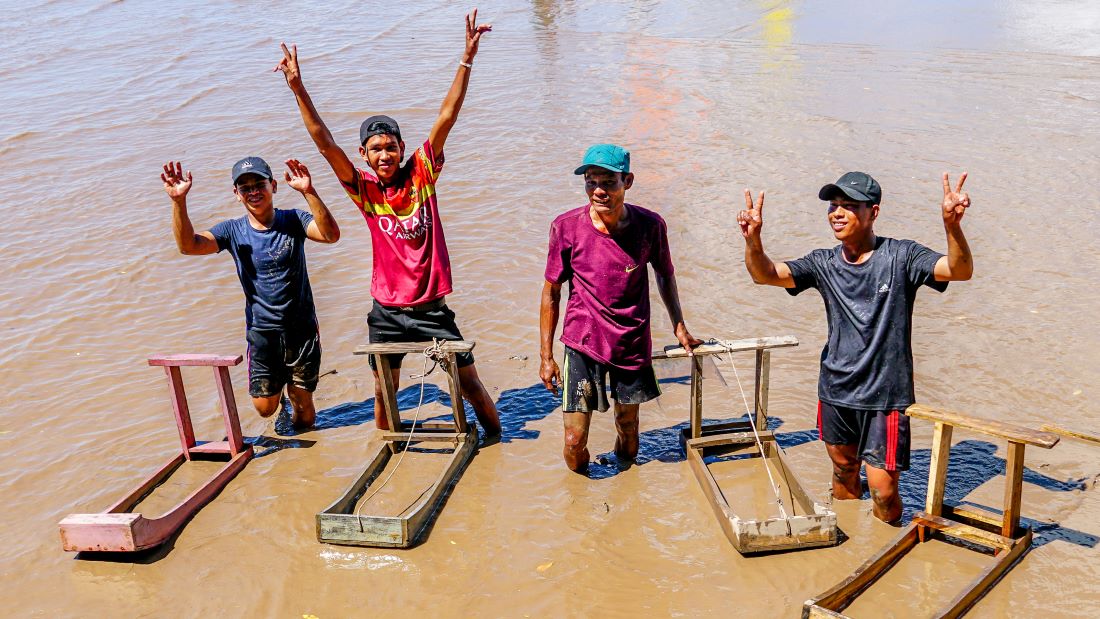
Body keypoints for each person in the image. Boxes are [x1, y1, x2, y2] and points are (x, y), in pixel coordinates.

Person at [275, 9, 501, 437]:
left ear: (402, 149)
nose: (384, 156)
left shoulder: (422, 173)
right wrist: (297, 86)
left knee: (470, 384)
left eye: (391, 147)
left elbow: (447, 115)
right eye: (375, 149)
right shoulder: (364, 190)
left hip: (432, 310)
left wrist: (467, 56)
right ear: (364, 155)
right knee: (384, 395)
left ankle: (496, 441)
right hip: (387, 312)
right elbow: (324, 142)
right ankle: (392, 447)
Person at [736, 171, 973, 523]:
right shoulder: (823, 263)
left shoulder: (901, 257)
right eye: (834, 205)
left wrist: (952, 227)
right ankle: (850, 539)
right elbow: (765, 274)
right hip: (836, 389)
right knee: (844, 471)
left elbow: (959, 270)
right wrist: (753, 239)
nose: (838, 213)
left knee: (883, 489)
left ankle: (886, 535)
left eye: (849, 206)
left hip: (885, 395)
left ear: (873, 212)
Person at [540, 144, 702, 474]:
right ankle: (581, 498)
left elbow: (665, 274)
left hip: (631, 339)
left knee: (628, 430)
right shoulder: (566, 227)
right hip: (582, 341)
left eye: (608, 182)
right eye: (590, 182)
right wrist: (546, 356)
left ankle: (627, 487)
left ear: (627, 181)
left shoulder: (650, 226)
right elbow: (551, 292)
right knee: (573, 439)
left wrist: (679, 325)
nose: (598, 191)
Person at [161, 157, 340, 429]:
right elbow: (189, 246)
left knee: (304, 408)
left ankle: (303, 446)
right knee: (264, 409)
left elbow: (330, 235)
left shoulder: (293, 220)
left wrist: (308, 191)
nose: (253, 191)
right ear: (236, 194)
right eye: (245, 188)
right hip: (262, 331)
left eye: (260, 184)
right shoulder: (232, 231)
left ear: (274, 186)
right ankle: (280, 396)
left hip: (301, 328)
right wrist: (178, 201)